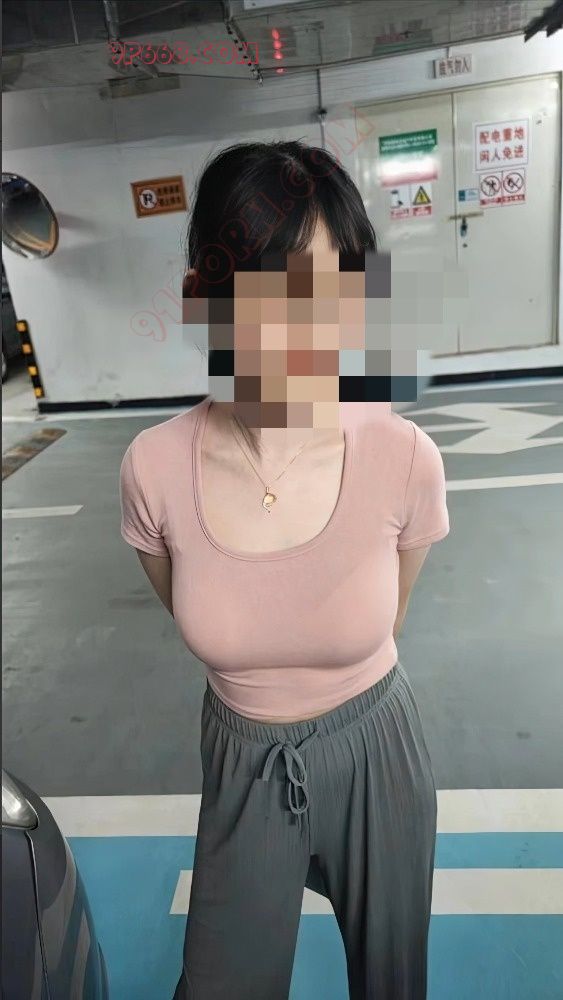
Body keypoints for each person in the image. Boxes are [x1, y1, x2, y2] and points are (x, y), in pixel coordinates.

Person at [119, 140, 450, 1000]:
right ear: (204, 299)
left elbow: (387, 619)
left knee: (393, 981)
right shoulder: (154, 470)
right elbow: (205, 620)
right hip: (242, 763)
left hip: (377, 753)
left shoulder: (402, 457)